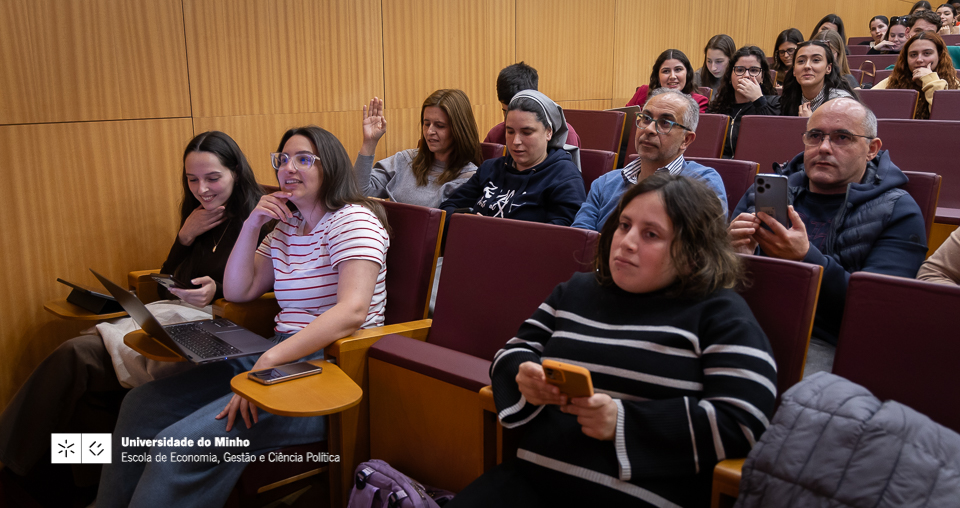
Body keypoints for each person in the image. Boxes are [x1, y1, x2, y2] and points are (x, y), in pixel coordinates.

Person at [95, 126, 391, 507]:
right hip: (280, 354)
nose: (289, 168)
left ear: (330, 166)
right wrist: (252, 224)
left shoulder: (354, 220)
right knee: (140, 406)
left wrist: (269, 361)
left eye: (304, 159)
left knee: (183, 447)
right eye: (283, 159)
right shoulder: (288, 225)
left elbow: (352, 311)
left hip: (328, 367)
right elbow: (239, 290)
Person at [448, 173, 776, 507]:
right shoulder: (576, 290)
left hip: (638, 496)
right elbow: (513, 351)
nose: (627, 242)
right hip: (532, 481)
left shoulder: (720, 312)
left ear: (693, 251)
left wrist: (624, 423)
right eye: (623, 225)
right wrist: (524, 376)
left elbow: (744, 420)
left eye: (651, 234)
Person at [0, 131, 264, 506]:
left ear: (236, 171)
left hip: (216, 335)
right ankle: (84, 482)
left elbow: (258, 293)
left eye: (212, 178)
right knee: (82, 383)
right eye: (192, 179)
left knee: (76, 358)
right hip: (172, 322)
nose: (201, 189)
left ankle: (12, 468)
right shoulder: (198, 217)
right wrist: (183, 239)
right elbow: (161, 287)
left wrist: (216, 291)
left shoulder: (259, 219)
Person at [729, 98, 927, 376]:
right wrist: (731, 254)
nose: (823, 147)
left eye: (842, 138)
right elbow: (720, 276)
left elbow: (879, 311)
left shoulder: (898, 210)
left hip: (825, 340)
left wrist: (806, 258)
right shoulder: (767, 191)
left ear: (871, 149)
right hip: (743, 320)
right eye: (815, 136)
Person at [574, 89, 726, 231]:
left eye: (665, 123)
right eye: (646, 119)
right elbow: (581, 244)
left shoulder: (703, 182)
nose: (649, 129)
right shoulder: (605, 184)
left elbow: (703, 249)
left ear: (686, 139)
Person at [441, 90, 585, 226]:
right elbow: (446, 210)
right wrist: (467, 221)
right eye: (510, 131)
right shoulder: (490, 168)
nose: (516, 141)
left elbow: (564, 235)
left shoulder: (564, 177)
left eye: (526, 132)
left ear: (548, 132)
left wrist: (495, 232)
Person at [354, 90, 481, 208]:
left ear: (459, 130)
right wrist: (369, 143)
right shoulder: (405, 159)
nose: (430, 131)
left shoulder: (469, 178)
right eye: (426, 124)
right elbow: (358, 192)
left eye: (440, 126)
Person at [707, 46, 781, 158]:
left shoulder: (774, 103)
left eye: (754, 70)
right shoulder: (717, 107)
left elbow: (774, 141)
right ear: (730, 76)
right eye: (740, 70)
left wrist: (758, 100)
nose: (746, 75)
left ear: (763, 77)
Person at [484, 62, 581, 147]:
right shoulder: (495, 135)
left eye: (527, 132)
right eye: (506, 112)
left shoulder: (565, 136)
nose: (516, 141)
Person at [872, 31, 960, 119]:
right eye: (913, 55)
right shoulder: (893, 81)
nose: (919, 59)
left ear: (939, 56)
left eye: (927, 53)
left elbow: (947, 119)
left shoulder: (953, 83)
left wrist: (930, 80)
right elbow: (867, 104)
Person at [779, 41, 857, 117]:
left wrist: (809, 121)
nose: (807, 66)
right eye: (801, 61)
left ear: (828, 68)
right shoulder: (791, 97)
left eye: (816, 60)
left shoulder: (841, 103)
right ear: (794, 71)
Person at [625, 49, 710, 112]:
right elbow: (624, 122)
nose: (672, 76)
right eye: (666, 71)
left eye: (678, 70)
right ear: (658, 76)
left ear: (688, 74)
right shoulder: (643, 92)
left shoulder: (699, 101)